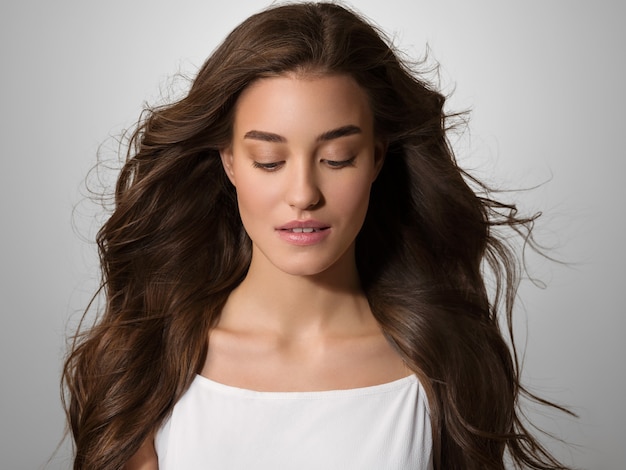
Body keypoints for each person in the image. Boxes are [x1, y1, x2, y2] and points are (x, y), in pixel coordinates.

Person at [63, 2, 573, 469]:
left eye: (337, 159)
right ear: (229, 161)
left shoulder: (442, 365)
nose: (303, 193)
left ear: (376, 157)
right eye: (270, 161)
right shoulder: (148, 364)